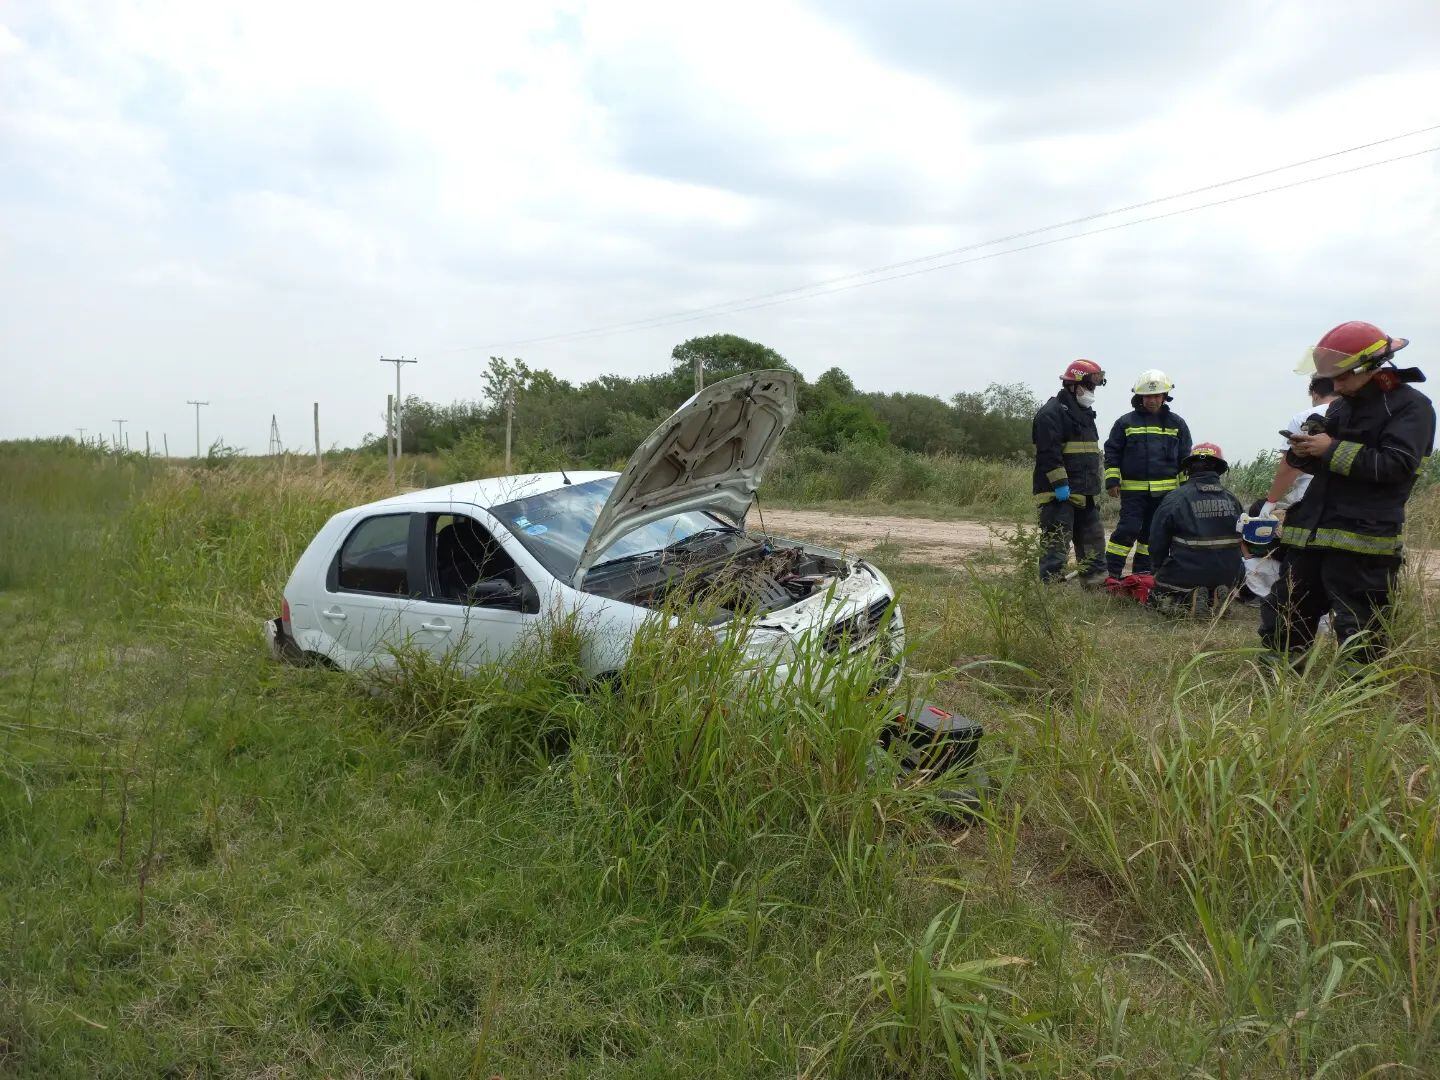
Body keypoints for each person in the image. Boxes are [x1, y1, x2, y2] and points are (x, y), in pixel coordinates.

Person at [1261, 320, 1436, 662]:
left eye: (1342, 377)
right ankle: (1276, 679)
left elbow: (1396, 466)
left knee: (1360, 624)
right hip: (1312, 532)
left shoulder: (1411, 407)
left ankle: (1355, 699)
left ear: (1371, 367)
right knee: (1286, 611)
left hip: (1363, 536)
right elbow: (1329, 464)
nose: (1336, 386)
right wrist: (1306, 452)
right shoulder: (1341, 406)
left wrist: (1329, 449)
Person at [1102, 370, 1192, 582]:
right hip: (1133, 491)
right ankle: (1111, 572)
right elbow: (1112, 451)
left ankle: (1142, 575)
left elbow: (1184, 459)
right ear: (1140, 397)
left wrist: (1186, 490)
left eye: (1157, 395)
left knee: (1152, 535)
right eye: (1148, 396)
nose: (1152, 400)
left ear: (1164, 396)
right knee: (1128, 529)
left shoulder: (1177, 424)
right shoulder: (1125, 423)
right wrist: (1112, 480)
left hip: (1165, 494)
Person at [1031, 359, 1107, 584]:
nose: (1092, 391)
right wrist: (1061, 485)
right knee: (1056, 545)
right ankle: (1051, 590)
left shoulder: (1084, 413)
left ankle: (1095, 587)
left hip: (1085, 492)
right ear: (1074, 385)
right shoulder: (1051, 413)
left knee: (1093, 542)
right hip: (1059, 495)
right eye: (1090, 386)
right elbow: (1048, 454)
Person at [1147, 443, 1243, 614]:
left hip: (1188, 573)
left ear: (1188, 469)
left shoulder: (1175, 498)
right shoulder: (1232, 499)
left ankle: (1184, 602)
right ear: (1219, 469)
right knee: (1217, 578)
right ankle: (1216, 596)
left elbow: (1157, 539)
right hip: (1229, 575)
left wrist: (1157, 568)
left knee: (1155, 596)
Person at [1257, 376, 1340, 517]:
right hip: (1356, 500)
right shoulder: (1357, 414)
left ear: (1315, 394)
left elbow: (1290, 466)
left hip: (1311, 499)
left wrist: (1271, 502)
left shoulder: (1304, 418)